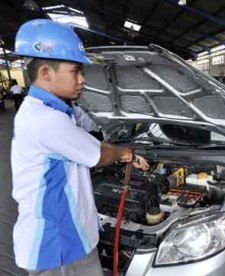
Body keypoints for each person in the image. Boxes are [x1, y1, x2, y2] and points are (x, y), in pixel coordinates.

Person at [10, 19, 150, 275]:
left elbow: (87, 132)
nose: (82, 79)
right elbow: (98, 154)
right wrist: (125, 153)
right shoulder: (46, 120)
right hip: (57, 244)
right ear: (45, 73)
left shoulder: (51, 110)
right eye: (75, 71)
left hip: (72, 235)